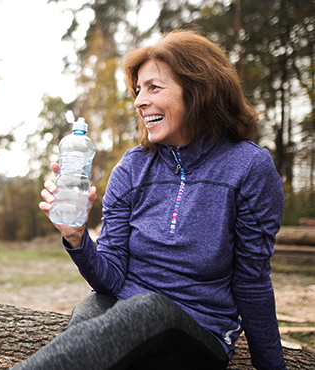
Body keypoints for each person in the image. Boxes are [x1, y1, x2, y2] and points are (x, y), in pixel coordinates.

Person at [15, 30, 286, 370]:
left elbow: (252, 281)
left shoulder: (249, 167)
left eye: (154, 87)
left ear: (199, 90)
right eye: (138, 90)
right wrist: (76, 237)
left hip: (198, 334)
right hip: (127, 319)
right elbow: (110, 278)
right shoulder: (131, 167)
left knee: (149, 308)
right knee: (92, 306)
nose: (140, 101)